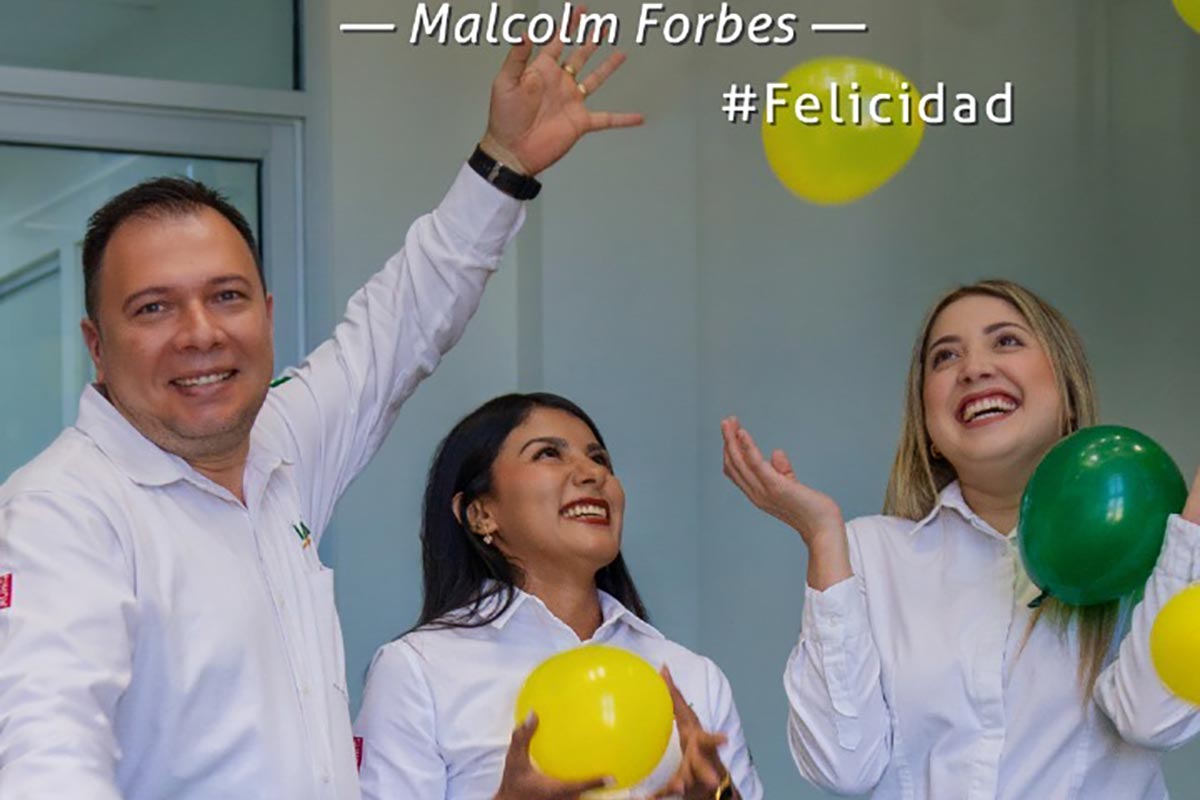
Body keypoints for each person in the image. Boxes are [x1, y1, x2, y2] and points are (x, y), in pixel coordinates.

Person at [0, 20, 641, 799]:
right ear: (96, 346)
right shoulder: (63, 511)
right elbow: (47, 752)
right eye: (153, 308)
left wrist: (501, 165)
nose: (201, 334)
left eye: (226, 297)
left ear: (267, 315)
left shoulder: (277, 445)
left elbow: (399, 325)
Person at [720, 279, 1200, 798]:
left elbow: (1153, 719)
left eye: (1007, 341)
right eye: (945, 357)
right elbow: (842, 766)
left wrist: (1190, 537)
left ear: (1067, 394)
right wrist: (821, 536)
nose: (973, 368)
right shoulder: (869, 553)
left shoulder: (1152, 547)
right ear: (928, 428)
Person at [354, 393, 764, 800]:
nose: (592, 473)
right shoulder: (417, 670)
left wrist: (719, 796)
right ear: (480, 514)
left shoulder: (693, 676)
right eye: (548, 454)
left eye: (600, 459)